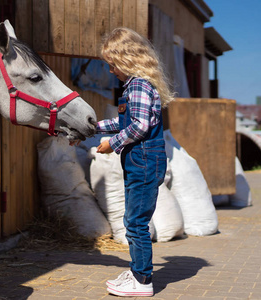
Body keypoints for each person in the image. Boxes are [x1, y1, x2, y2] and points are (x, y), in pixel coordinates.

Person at [95, 27, 174, 297]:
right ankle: (138, 270)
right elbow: (124, 122)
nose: (111, 70)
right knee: (134, 219)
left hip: (143, 160)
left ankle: (142, 281)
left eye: (112, 64)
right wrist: (93, 128)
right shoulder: (136, 85)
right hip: (141, 160)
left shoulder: (138, 85)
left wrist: (112, 144)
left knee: (136, 222)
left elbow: (139, 127)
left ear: (126, 58)